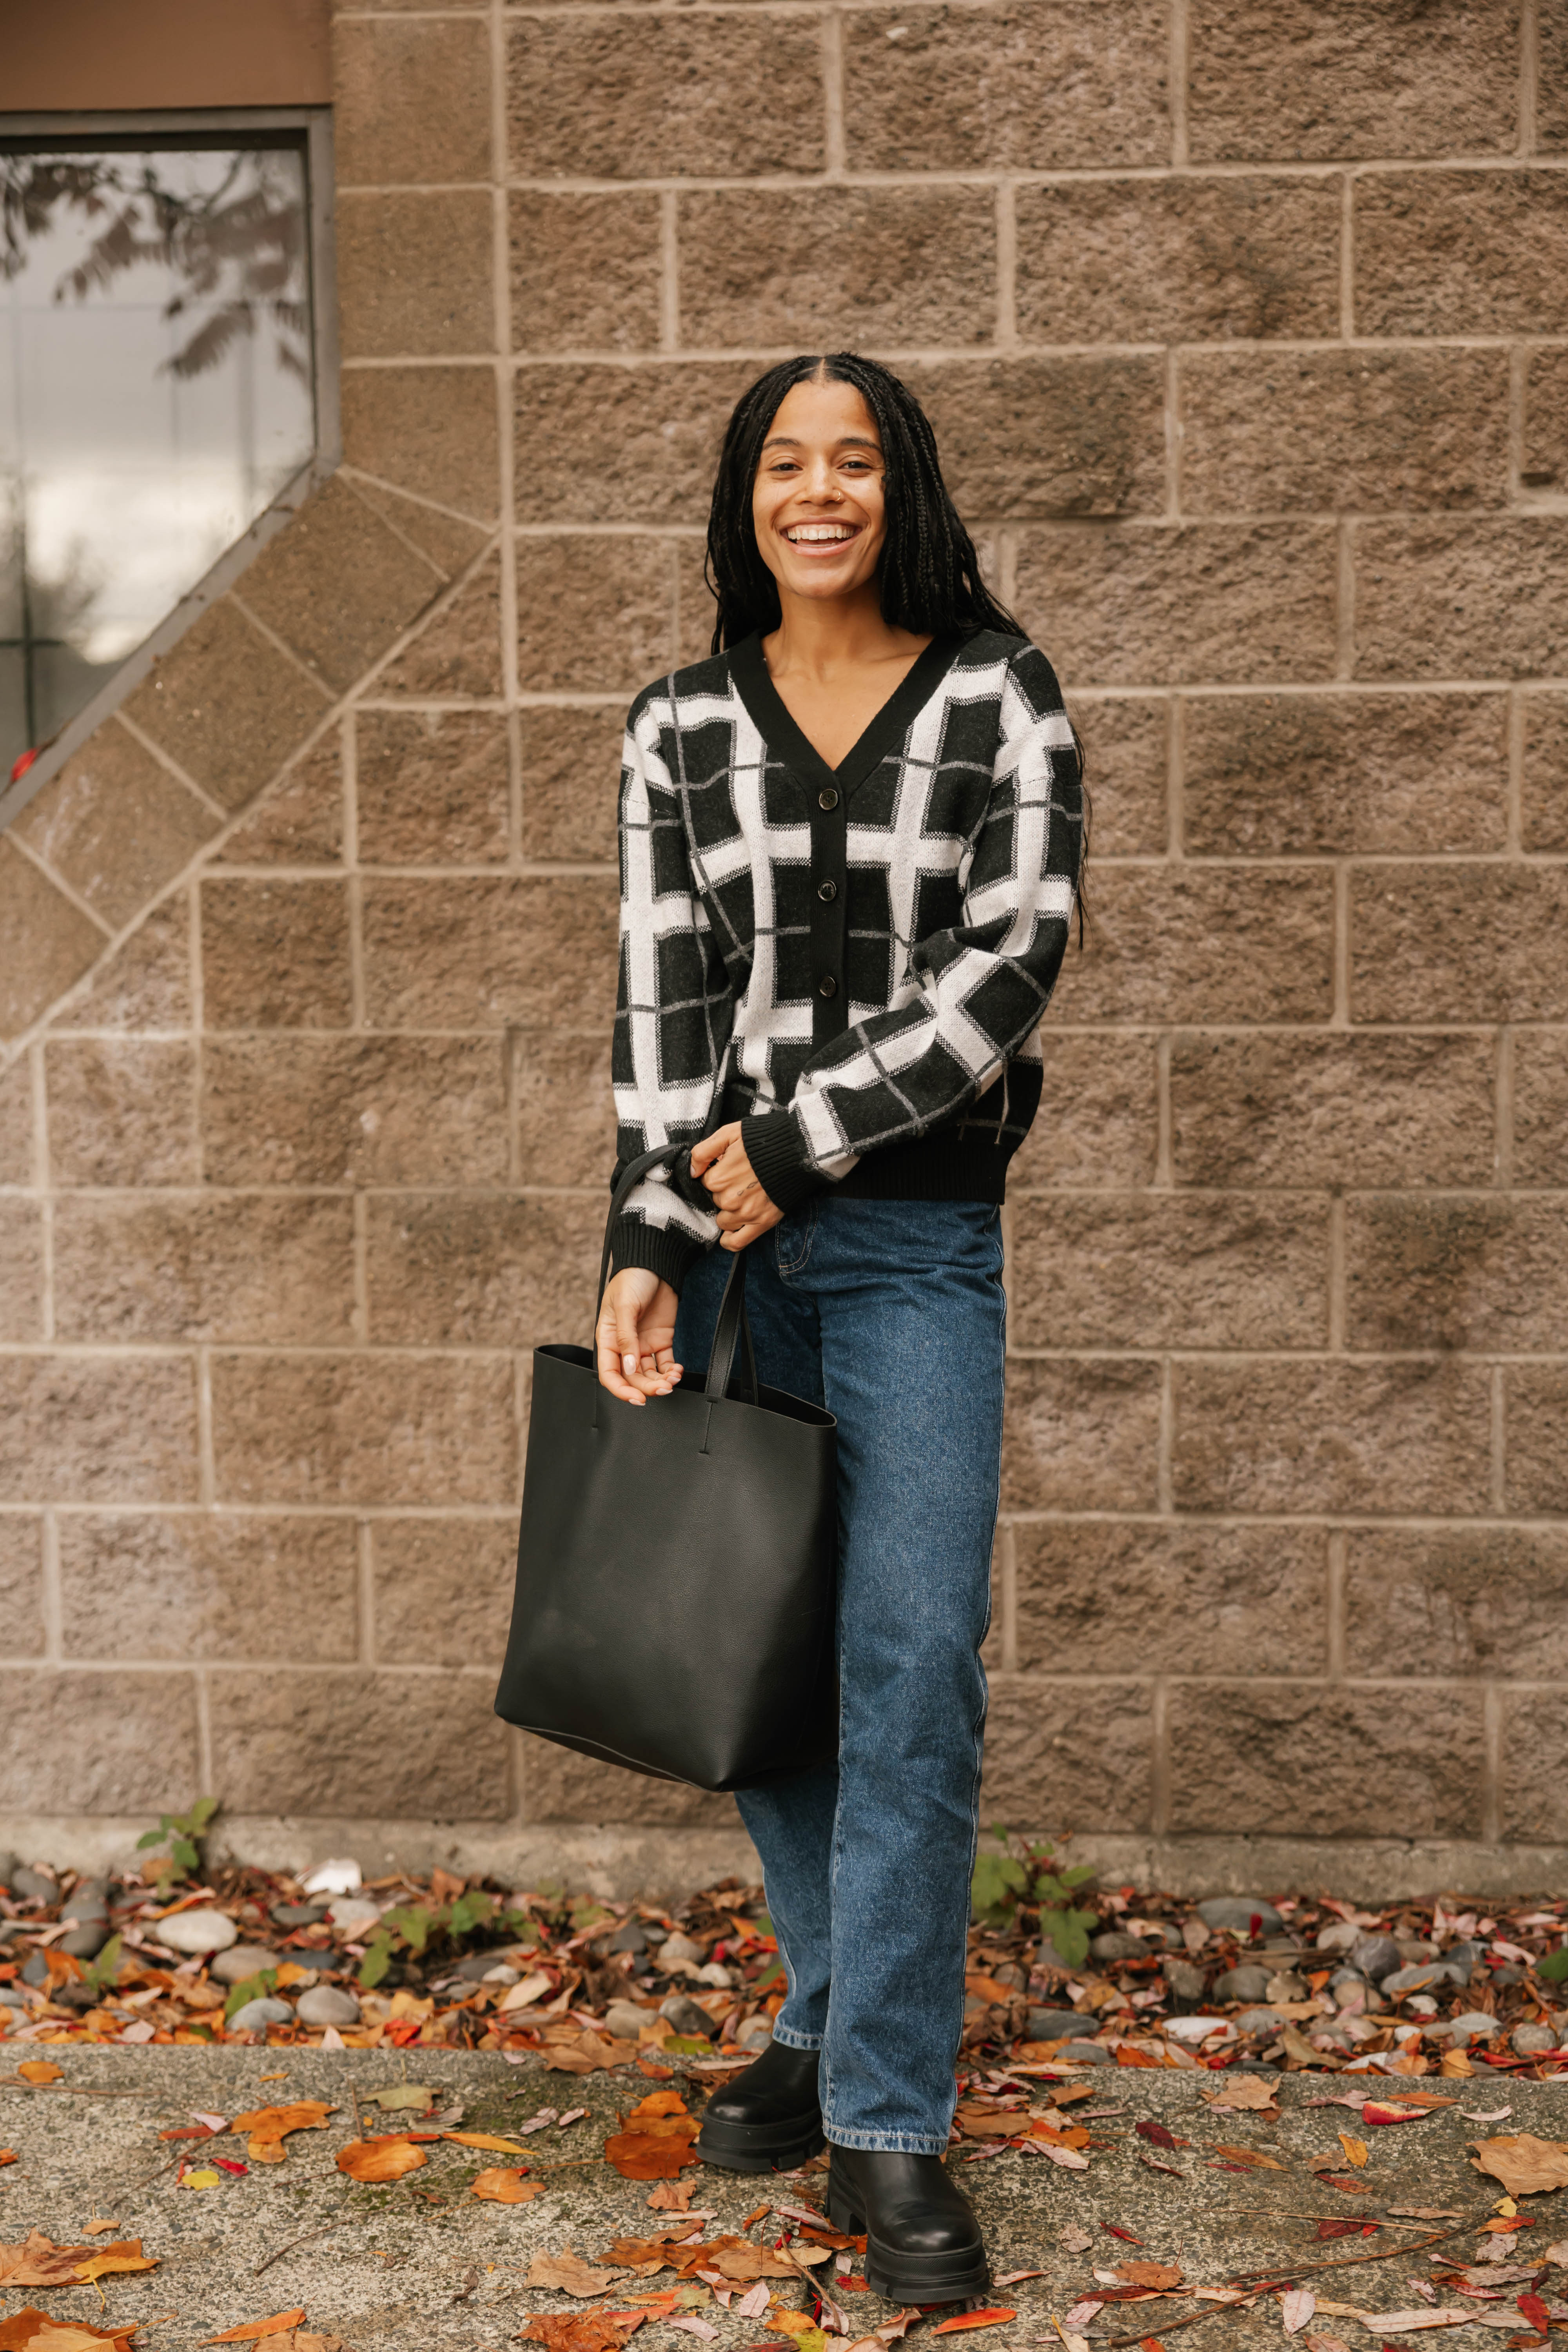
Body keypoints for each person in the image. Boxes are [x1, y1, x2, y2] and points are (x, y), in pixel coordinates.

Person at [595, 352, 1087, 2304]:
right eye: (785, 463)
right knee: (763, 1674)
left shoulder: (995, 689)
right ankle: (820, 2015)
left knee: (909, 1673)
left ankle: (883, 2126)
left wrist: (795, 1145)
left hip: (912, 1251)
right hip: (722, 1259)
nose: (820, 491)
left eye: (853, 459)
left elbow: (1011, 957)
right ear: (747, 498)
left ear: (902, 488)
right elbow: (660, 1002)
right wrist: (645, 1234)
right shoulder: (677, 727)